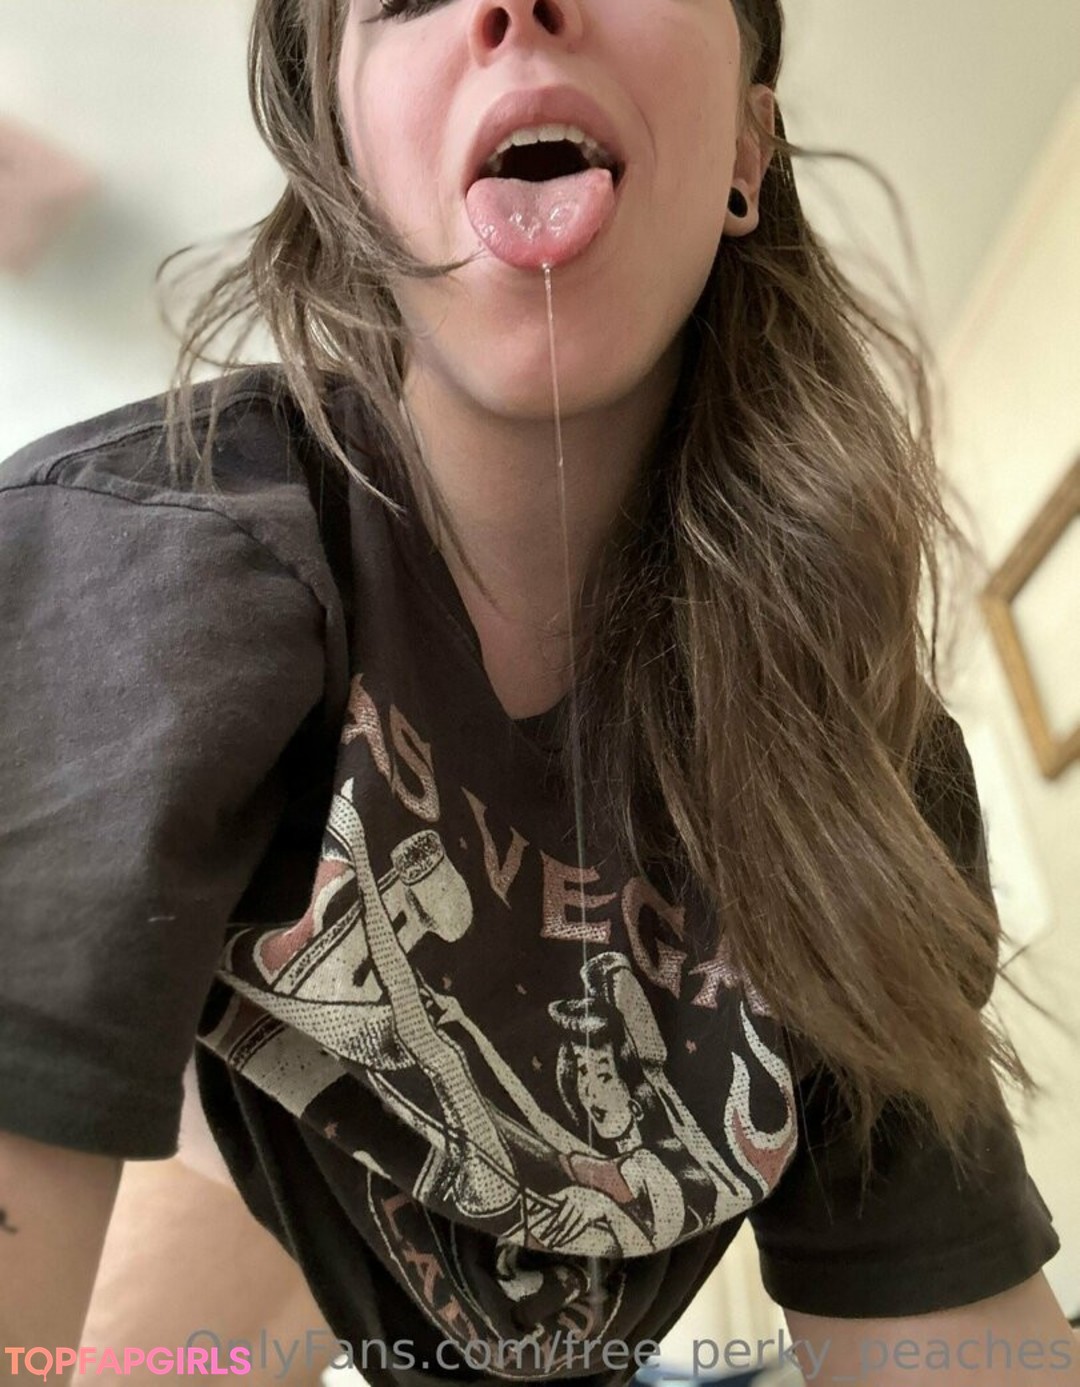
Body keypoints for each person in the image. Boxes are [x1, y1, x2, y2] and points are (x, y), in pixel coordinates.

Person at [1, 0, 1077, 1384]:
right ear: (345, 171)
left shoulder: (876, 776)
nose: (512, 3)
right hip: (249, 1206)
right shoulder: (132, 564)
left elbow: (948, 1335)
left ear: (748, 148)